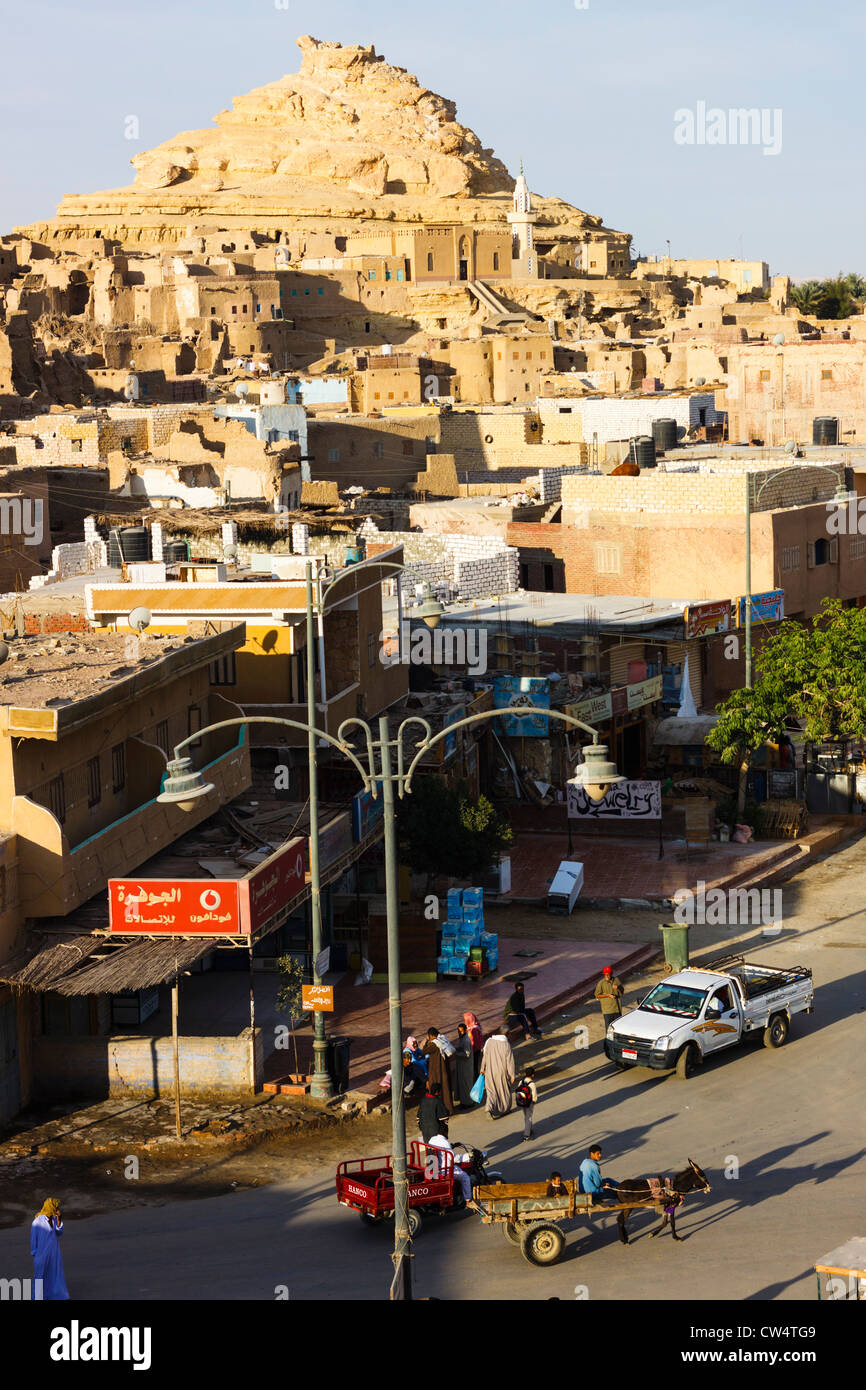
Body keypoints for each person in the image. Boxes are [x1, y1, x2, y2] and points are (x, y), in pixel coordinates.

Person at [30, 1198, 68, 1300]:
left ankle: (56, 1296)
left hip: (54, 1254)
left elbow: (59, 1232)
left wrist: (59, 1218)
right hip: (41, 1255)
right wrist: (35, 1253)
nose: (58, 1209)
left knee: (54, 1276)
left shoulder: (55, 1219)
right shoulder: (38, 1221)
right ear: (51, 1207)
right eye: (56, 1207)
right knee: (40, 1277)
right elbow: (33, 1238)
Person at [480, 1022, 515, 1118]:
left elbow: (485, 1056)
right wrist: (512, 1075)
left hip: (490, 1071)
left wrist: (482, 1068)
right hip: (501, 1072)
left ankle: (489, 1108)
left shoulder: (489, 1041)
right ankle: (505, 1109)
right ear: (506, 1033)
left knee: (491, 1092)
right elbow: (510, 1061)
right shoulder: (506, 1044)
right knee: (503, 1091)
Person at [426, 1133, 472, 1203]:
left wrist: (452, 1146)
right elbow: (454, 1158)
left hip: (437, 1168)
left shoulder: (433, 1139)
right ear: (444, 1131)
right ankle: (468, 1200)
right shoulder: (444, 1142)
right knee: (465, 1177)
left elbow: (442, 1148)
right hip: (446, 1170)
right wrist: (468, 1156)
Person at [422, 1028, 454, 1111]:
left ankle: (438, 1110)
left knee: (436, 1089)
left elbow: (424, 1051)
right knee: (445, 1089)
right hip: (444, 1069)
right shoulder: (443, 1039)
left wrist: (425, 1043)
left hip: (436, 1070)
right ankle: (448, 1108)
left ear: (431, 1035)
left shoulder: (433, 1044)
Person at [454, 1023, 475, 1107]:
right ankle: (465, 1102)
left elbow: (467, 1054)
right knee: (463, 1085)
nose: (459, 1033)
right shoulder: (463, 1039)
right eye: (458, 1031)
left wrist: (456, 1053)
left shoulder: (466, 1040)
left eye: (461, 1031)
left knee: (466, 1085)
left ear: (465, 1030)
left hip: (466, 1067)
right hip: (463, 1066)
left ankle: (468, 1103)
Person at [515, 1066, 538, 1141]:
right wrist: (534, 1101)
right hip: (529, 1103)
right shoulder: (532, 1084)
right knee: (529, 1117)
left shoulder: (521, 1082)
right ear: (532, 1075)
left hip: (522, 1102)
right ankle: (527, 1135)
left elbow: (518, 1091)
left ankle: (529, 1130)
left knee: (526, 1116)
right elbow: (534, 1095)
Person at [463, 1011, 483, 1077]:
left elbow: (474, 1042)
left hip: (473, 1051)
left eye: (465, 1020)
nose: (464, 1021)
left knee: (473, 1068)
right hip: (475, 1050)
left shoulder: (473, 1030)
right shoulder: (475, 1026)